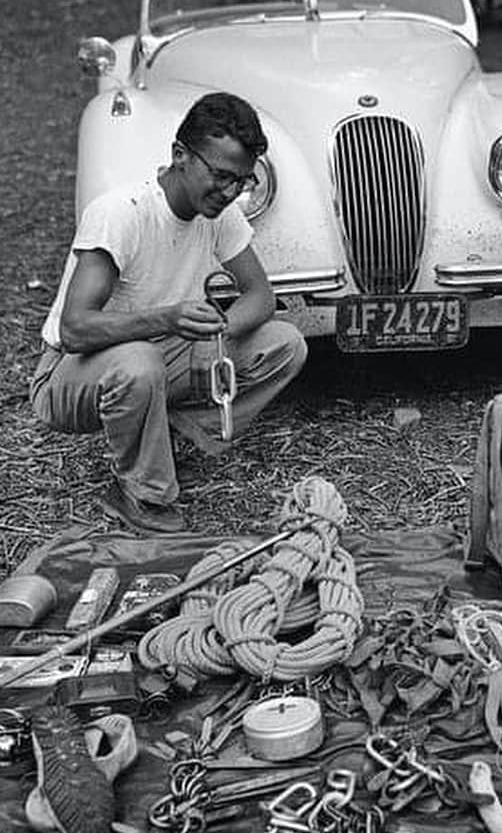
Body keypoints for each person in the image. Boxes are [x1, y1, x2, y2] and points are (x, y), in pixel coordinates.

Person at [30, 91, 307, 534]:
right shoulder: (121, 212)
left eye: (241, 180)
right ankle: (141, 495)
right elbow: (75, 329)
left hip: (158, 356)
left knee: (284, 344)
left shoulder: (219, 214)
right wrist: (167, 319)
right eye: (219, 175)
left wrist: (219, 330)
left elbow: (260, 296)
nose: (229, 191)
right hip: (70, 374)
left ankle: (168, 437)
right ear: (180, 155)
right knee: (139, 362)